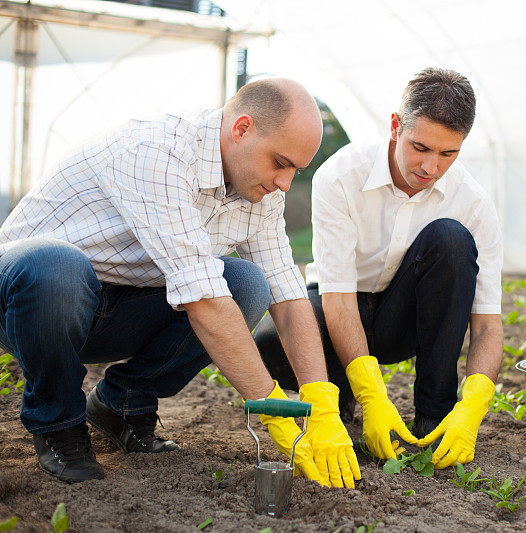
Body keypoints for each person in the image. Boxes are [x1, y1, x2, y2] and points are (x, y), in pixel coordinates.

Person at [0, 78, 359, 488]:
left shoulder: (260, 190)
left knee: (248, 284)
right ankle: (58, 423)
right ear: (241, 129)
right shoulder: (155, 152)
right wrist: (272, 406)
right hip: (29, 304)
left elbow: (288, 294)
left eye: (296, 169)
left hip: (116, 307)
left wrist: (321, 399)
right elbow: (203, 298)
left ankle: (122, 405)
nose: (285, 183)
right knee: (56, 264)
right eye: (281, 163)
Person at [255, 68, 503, 468]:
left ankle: (433, 416)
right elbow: (337, 296)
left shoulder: (472, 202)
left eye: (447, 153)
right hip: (339, 310)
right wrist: (372, 390)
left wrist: (475, 403)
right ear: (395, 126)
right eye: (420, 147)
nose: (430, 167)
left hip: (402, 321)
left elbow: (488, 325)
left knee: (452, 241)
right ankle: (346, 391)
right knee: (270, 343)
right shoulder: (341, 175)